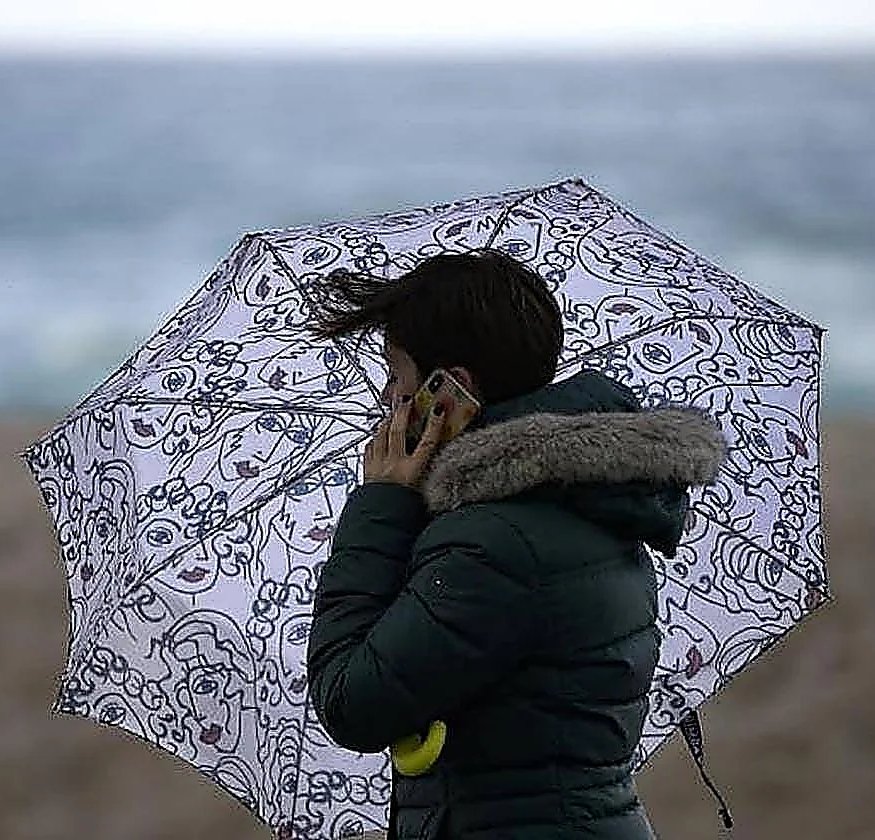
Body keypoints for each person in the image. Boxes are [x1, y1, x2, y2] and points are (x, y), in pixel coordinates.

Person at [305, 250, 727, 840]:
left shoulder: (494, 543)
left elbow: (352, 700)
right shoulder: (582, 496)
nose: (386, 398)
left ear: (447, 393)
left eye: (396, 375)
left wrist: (381, 505)